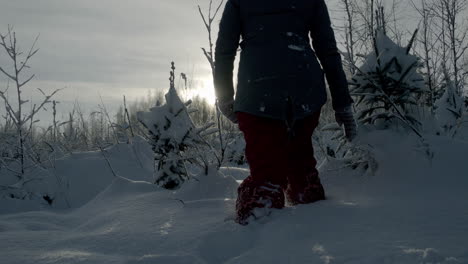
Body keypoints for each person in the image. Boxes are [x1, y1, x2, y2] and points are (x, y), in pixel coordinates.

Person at [214, 0, 357, 225]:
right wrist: (342, 102)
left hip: (257, 92)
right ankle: (313, 213)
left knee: (266, 172)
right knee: (301, 163)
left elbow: (224, 50)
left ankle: (262, 222)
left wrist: (224, 97)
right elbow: (328, 50)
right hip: (305, 89)